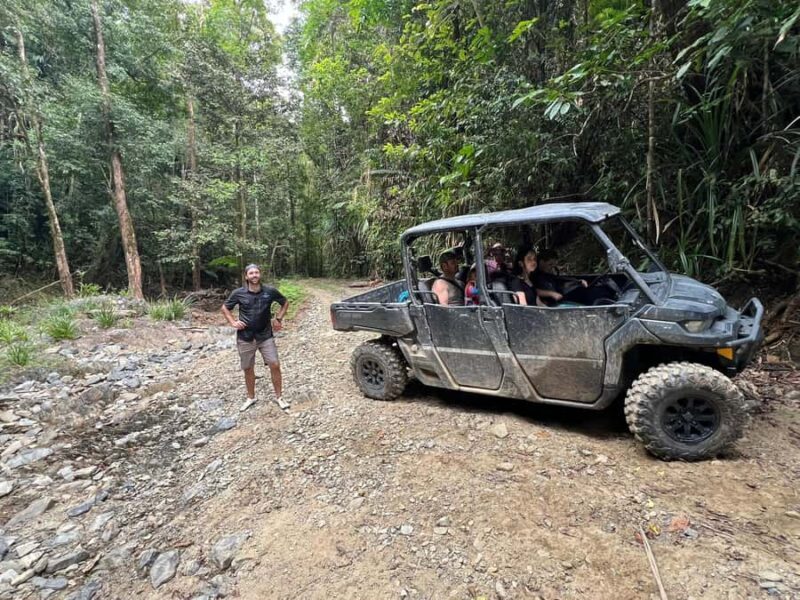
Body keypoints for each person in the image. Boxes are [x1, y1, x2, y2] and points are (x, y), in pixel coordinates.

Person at [221, 263, 290, 411]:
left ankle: (279, 397)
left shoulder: (269, 291)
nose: (254, 275)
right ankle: (251, 398)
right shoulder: (238, 293)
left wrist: (278, 319)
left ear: (260, 274)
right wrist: (233, 322)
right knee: (247, 368)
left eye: (256, 272)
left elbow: (284, 303)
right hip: (245, 337)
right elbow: (225, 307)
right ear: (246, 276)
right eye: (251, 273)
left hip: (265, 335)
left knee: (275, 365)